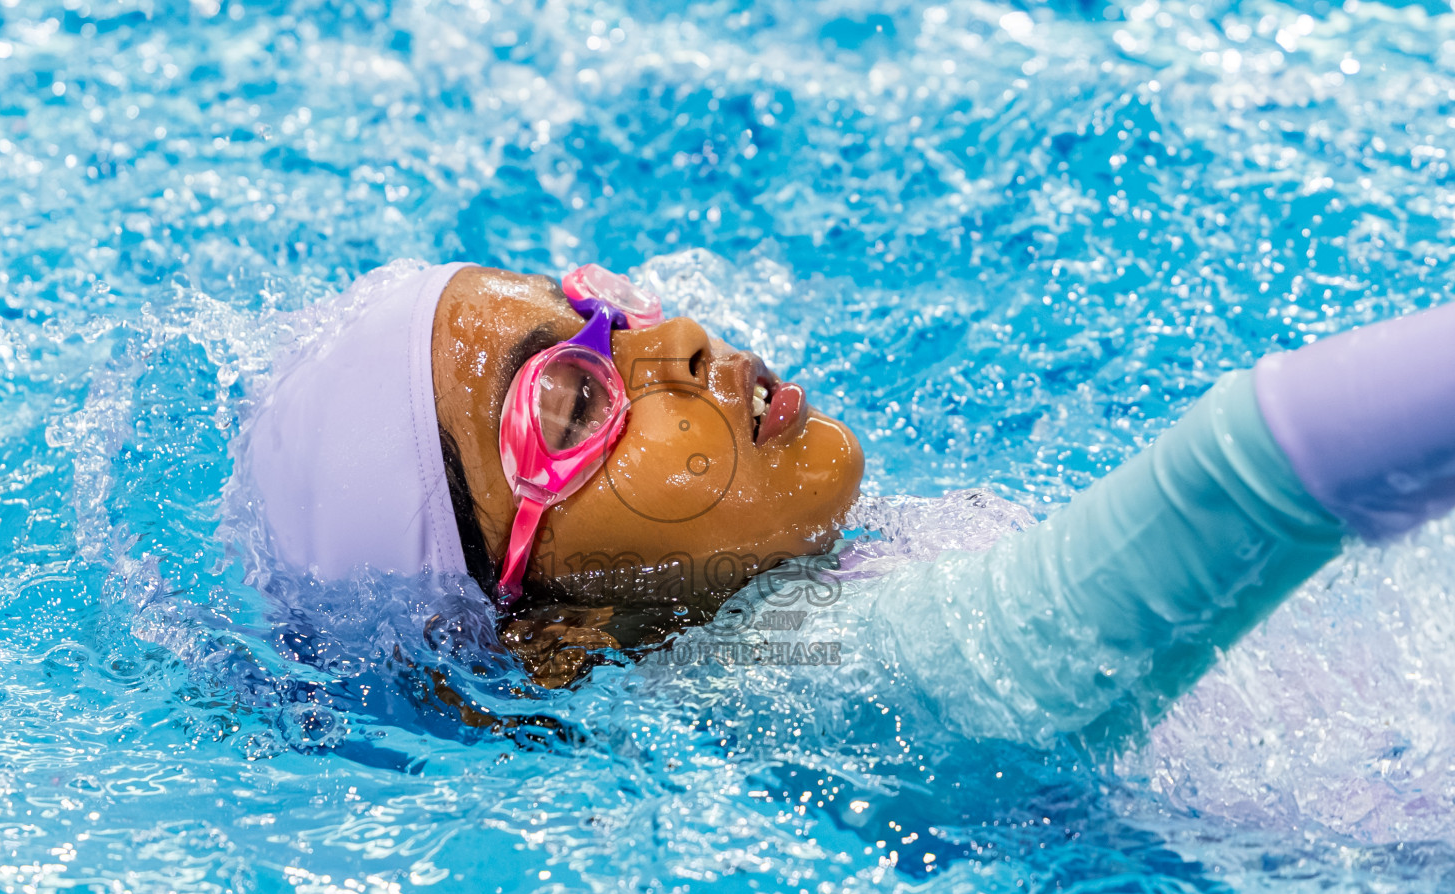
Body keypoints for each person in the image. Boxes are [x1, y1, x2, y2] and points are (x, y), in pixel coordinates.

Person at [226, 259, 1455, 742]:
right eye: (570, 405)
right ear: (553, 643)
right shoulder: (814, 683)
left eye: (598, 307)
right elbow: (1248, 481)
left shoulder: (813, 583)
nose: (686, 347)